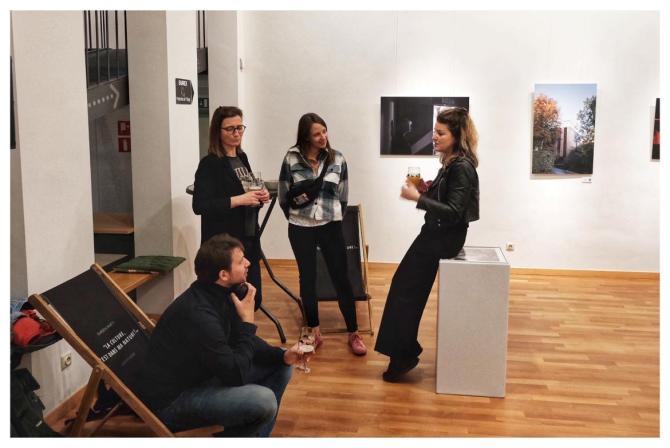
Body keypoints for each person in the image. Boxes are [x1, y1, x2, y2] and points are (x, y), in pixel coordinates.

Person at [135, 234, 307, 437]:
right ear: (224, 275)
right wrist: (247, 323)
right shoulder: (199, 314)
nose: (248, 263)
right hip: (172, 402)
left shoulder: (220, 294)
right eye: (241, 261)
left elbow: (238, 341)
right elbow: (235, 373)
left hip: (204, 377)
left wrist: (283, 355)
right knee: (263, 400)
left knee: (281, 365)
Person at [374, 107, 480, 382]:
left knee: (404, 292)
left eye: (440, 133)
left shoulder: (462, 167)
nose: (434, 137)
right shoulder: (452, 162)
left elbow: (455, 211)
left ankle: (404, 356)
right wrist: (425, 187)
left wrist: (416, 198)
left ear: (456, 136)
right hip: (436, 234)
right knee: (404, 290)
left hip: (443, 238)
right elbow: (447, 199)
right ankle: (403, 353)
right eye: (435, 131)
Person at [278, 112, 368, 356]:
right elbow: (284, 194)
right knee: (307, 279)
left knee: (341, 277)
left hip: (330, 225)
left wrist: (332, 214)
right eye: (317, 134)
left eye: (324, 131)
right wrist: (298, 217)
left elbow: (343, 193)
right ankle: (313, 332)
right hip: (300, 227)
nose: (323, 137)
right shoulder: (291, 157)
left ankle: (354, 333)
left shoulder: (337, 158)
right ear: (305, 136)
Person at [192, 106, 269, 310]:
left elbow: (247, 193)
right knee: (229, 302)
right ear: (218, 132)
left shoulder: (242, 158)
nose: (237, 133)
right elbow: (200, 205)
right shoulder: (210, 164)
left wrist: (260, 196)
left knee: (253, 298)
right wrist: (240, 199)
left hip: (249, 237)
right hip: (226, 244)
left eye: (240, 127)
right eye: (230, 129)